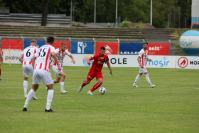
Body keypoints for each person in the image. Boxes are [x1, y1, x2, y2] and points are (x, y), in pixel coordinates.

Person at [22, 36, 60, 112]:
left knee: (34, 88)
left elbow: (33, 58)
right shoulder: (51, 47)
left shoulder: (41, 47)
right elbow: (53, 54)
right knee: (50, 88)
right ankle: (48, 108)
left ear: (46, 41)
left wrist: (34, 67)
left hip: (36, 70)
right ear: (53, 42)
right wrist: (57, 63)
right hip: (44, 70)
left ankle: (25, 106)